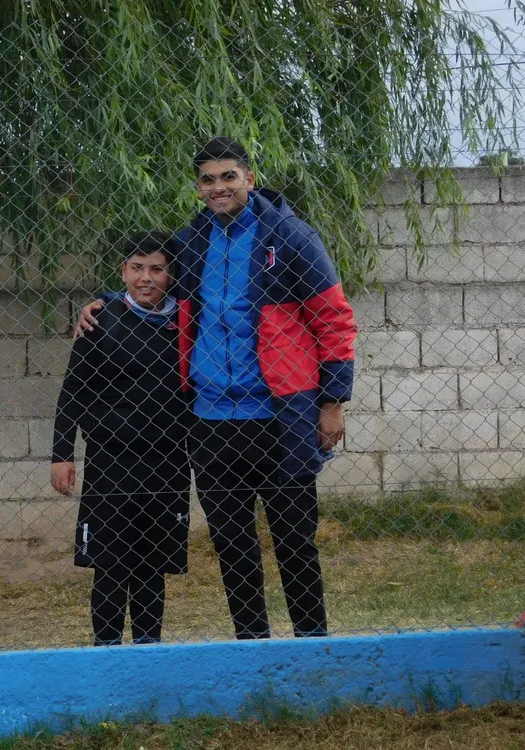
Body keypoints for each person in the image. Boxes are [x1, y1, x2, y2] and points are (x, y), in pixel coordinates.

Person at [76, 137, 357, 639]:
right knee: (232, 543)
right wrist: (103, 301)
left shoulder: (292, 237)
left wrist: (332, 402)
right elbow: (150, 281)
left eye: (229, 176)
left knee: (294, 538)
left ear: (249, 178)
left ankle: (312, 647)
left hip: (280, 418)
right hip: (210, 425)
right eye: (208, 179)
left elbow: (334, 320)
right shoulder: (192, 242)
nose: (218, 187)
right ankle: (251, 647)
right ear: (199, 187)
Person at [51, 231, 191, 647]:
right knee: (110, 566)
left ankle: (148, 651)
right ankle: (106, 652)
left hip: (167, 462)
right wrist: (62, 454)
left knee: (151, 567)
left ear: (172, 275)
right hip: (110, 463)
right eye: (136, 268)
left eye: (157, 269)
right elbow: (72, 391)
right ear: (123, 271)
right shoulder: (100, 319)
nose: (146, 278)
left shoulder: (187, 321)